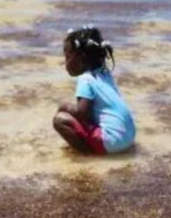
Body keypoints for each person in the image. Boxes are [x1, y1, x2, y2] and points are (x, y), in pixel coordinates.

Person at [53, 25, 136, 154]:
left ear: (81, 58)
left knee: (60, 120)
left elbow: (82, 113)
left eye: (68, 57)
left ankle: (88, 153)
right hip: (129, 137)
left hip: (113, 141)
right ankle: (97, 142)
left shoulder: (85, 79)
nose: (65, 63)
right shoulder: (105, 74)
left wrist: (65, 106)